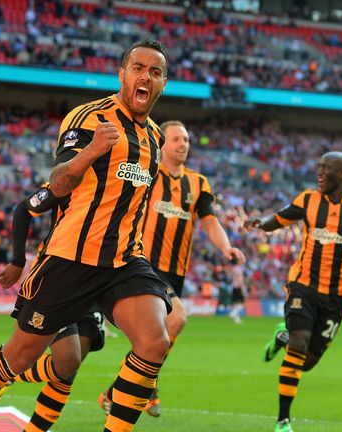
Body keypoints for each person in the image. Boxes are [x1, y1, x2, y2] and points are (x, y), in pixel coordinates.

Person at [0, 38, 173, 432]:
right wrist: (91, 151)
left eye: (155, 72)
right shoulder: (88, 118)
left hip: (124, 261)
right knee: (18, 357)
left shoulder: (155, 139)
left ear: (163, 83)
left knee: (154, 341)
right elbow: (57, 183)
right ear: (122, 74)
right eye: (138, 68)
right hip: (70, 259)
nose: (146, 76)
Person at [97, 120, 245, 417]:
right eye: (176, 139)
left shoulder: (198, 183)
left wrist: (226, 247)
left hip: (176, 271)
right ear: (163, 144)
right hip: (144, 264)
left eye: (187, 140)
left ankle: (116, 392)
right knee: (177, 319)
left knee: (153, 339)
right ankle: (146, 386)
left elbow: (210, 222)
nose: (183, 144)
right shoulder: (148, 172)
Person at [244, 151, 342, 432]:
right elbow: (280, 218)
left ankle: (281, 336)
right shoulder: (308, 200)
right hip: (303, 286)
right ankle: (283, 420)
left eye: (327, 168)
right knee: (298, 347)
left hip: (336, 297)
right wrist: (260, 222)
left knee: (307, 362)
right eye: (319, 167)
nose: (320, 172)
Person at [0, 183, 107, 432]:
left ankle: (30, 418)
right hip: (58, 276)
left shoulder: (130, 182)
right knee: (67, 360)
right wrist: (17, 260)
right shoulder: (71, 175)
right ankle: (5, 374)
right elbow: (24, 209)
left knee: (71, 365)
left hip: (100, 278)